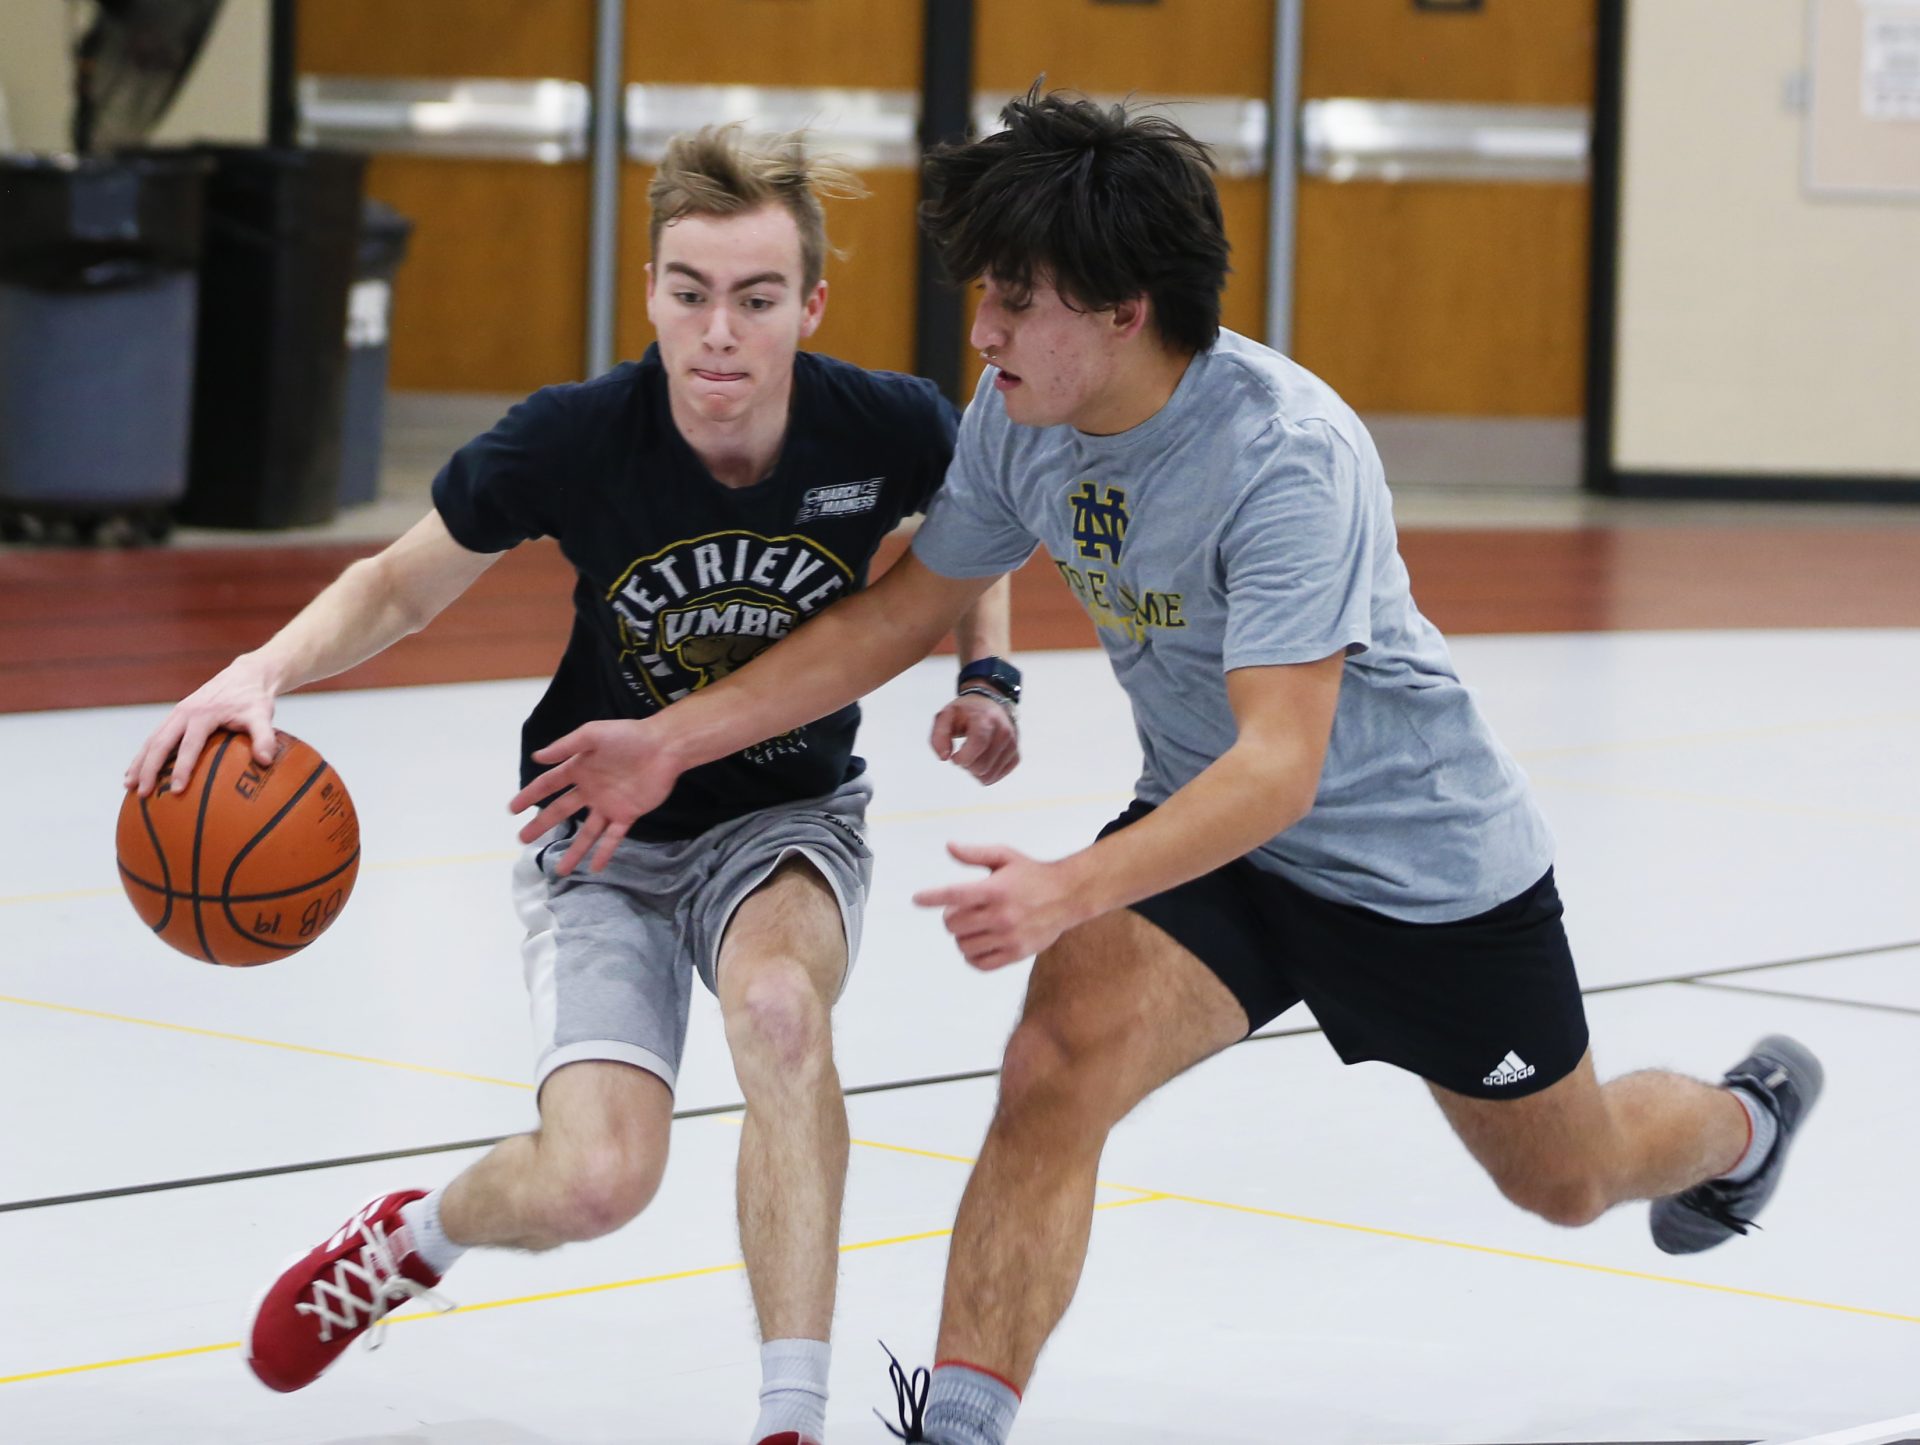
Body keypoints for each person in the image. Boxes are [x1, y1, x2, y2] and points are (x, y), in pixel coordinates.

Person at [506, 89, 1826, 1443]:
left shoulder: (1287, 459)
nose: (983, 332)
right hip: (1219, 843)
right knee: (1053, 1061)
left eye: (1016, 302)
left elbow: (1282, 765)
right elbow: (898, 613)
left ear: (1124, 310)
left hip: (1418, 871)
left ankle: (1741, 1123)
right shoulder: (1020, 416)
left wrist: (1069, 883)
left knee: (1567, 1174)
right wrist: (670, 737)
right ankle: (955, 1427)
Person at [125, 125, 1022, 1445]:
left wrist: (986, 673)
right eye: (688, 292)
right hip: (599, 835)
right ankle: (412, 1235)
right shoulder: (578, 435)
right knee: (599, 1180)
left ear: (810, 304)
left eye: (757, 298)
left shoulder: (881, 423)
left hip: (785, 819)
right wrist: (259, 671)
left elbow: (975, 529)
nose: (719, 333)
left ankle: (791, 1420)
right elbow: (398, 582)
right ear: (652, 289)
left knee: (780, 1011)